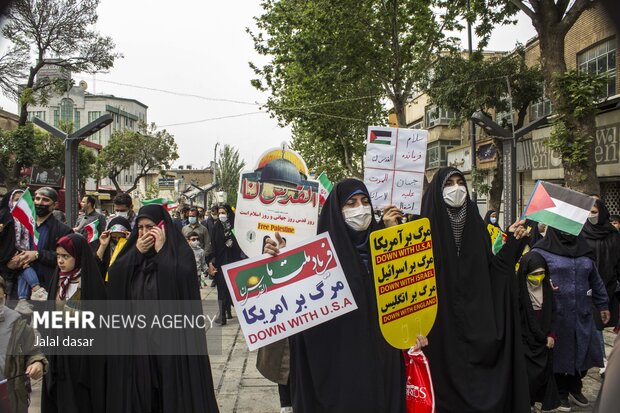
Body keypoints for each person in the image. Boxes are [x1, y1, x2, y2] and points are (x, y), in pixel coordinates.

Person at [265, 179, 422, 413]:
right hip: (336, 371)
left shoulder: (384, 244)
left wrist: (415, 331)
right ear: (337, 212)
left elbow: (407, 295)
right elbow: (289, 309)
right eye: (351, 203)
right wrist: (275, 258)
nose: (360, 208)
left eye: (365, 201)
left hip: (383, 365)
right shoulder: (317, 257)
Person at [420, 167, 530, 413]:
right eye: (450, 184)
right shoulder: (421, 228)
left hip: (475, 326)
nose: (457, 188)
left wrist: (513, 242)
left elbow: (493, 273)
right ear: (437, 191)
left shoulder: (477, 227)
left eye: (461, 182)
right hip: (437, 331)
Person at [105, 204, 220, 412]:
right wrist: (137, 253)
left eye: (150, 227)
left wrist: (161, 253)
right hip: (139, 339)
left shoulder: (179, 253)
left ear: (162, 227)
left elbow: (182, 283)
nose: (144, 233)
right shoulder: (133, 252)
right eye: (139, 228)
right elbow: (115, 277)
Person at [532, 227, 609, 411]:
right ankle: (560, 392)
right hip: (556, 315)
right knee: (559, 355)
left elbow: (595, 279)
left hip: (582, 313)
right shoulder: (541, 251)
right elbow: (530, 276)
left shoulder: (584, 250)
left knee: (584, 351)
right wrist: (542, 283)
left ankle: (575, 386)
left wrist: (603, 304)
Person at [41, 233, 107, 413]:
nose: (60, 261)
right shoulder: (58, 280)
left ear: (78, 257)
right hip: (60, 353)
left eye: (66, 256)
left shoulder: (89, 283)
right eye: (58, 256)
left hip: (82, 356)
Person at [580, 199, 620, 377]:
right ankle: (603, 360)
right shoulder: (581, 232)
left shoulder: (613, 234)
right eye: (589, 211)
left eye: (594, 211)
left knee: (607, 324)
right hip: (588, 287)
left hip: (610, 284)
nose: (591, 215)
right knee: (596, 324)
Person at [516, 251, 560, 412]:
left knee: (543, 375)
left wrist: (551, 335)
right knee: (528, 376)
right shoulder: (518, 291)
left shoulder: (547, 289)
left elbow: (553, 313)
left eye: (542, 273)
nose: (539, 277)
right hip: (526, 342)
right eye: (535, 274)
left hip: (544, 343)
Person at [5, 187, 72, 292]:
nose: (40, 203)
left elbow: (67, 258)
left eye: (45, 200)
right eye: (37, 198)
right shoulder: (18, 225)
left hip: (45, 288)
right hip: (15, 285)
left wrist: (38, 254)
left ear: (55, 205)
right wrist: (9, 265)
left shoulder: (63, 230)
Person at [0, 275, 47, 413]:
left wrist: (37, 363)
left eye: (0, 300)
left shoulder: (17, 323)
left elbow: (34, 352)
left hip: (11, 398)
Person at [0, 190, 48, 315]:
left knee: (25, 266)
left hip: (22, 257)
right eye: (16, 199)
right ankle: (36, 289)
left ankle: (23, 300)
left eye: (23, 199)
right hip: (6, 267)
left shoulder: (29, 219)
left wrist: (26, 254)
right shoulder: (5, 217)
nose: (20, 202)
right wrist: (7, 260)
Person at [209, 204, 243, 325]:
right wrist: (211, 262)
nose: (221, 215)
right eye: (219, 213)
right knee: (222, 288)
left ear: (228, 213)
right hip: (221, 262)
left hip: (234, 261)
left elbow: (242, 243)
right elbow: (213, 246)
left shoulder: (235, 227)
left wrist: (233, 242)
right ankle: (222, 314)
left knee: (234, 288)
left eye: (224, 212)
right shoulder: (215, 227)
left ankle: (230, 310)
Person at [95, 216, 131, 282]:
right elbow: (96, 265)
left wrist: (131, 242)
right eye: (114, 237)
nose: (117, 240)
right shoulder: (106, 246)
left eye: (121, 237)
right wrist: (103, 245)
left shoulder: (132, 246)